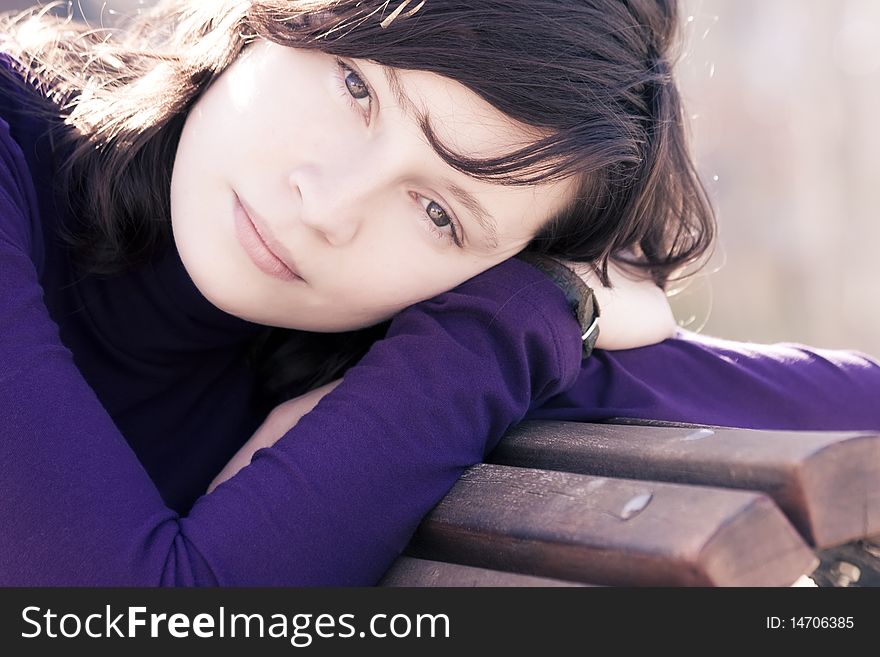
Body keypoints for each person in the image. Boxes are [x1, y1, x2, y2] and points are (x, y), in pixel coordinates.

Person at [0, 0, 876, 586]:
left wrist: (534, 306)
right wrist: (537, 311)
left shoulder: (410, 338)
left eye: (437, 212)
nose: (330, 207)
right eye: (356, 88)